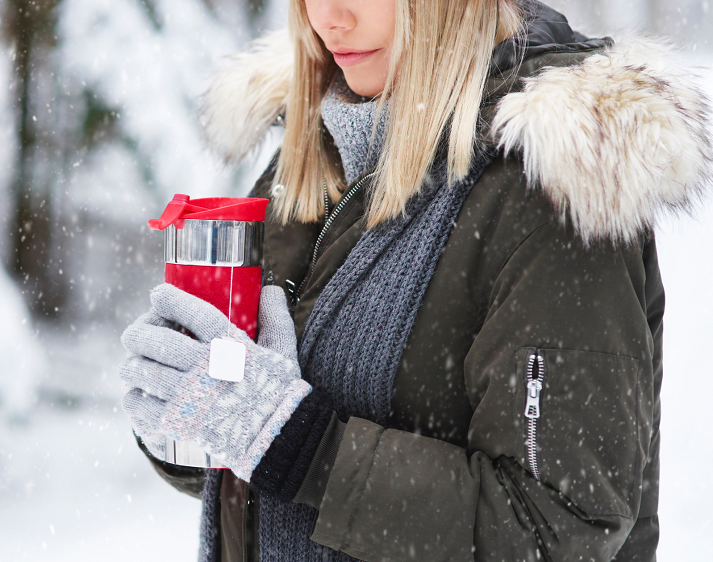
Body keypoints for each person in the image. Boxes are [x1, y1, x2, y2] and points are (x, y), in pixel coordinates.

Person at [119, 1, 712, 560]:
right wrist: (192, 415)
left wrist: (301, 447)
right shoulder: (317, 145)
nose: (329, 18)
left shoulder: (549, 191)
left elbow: (554, 531)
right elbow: (258, 471)